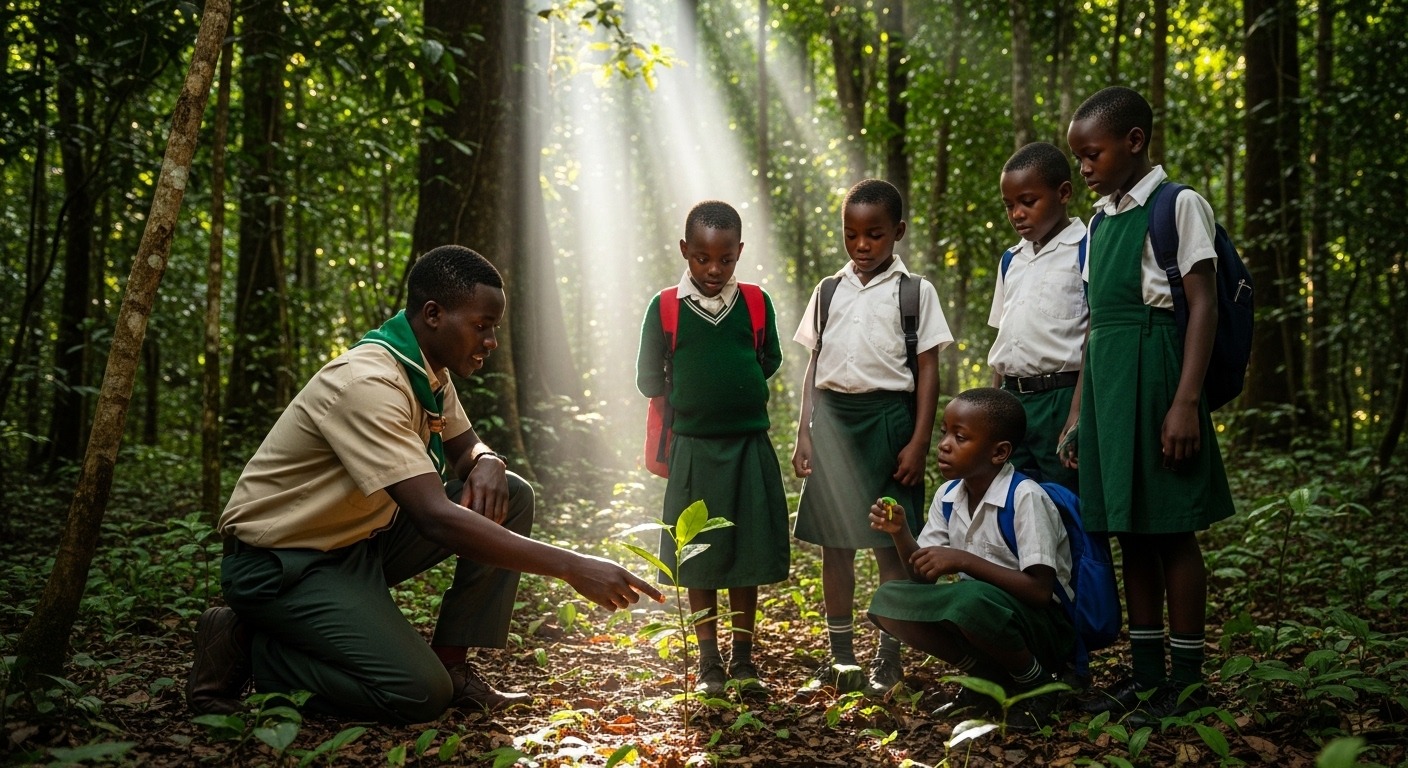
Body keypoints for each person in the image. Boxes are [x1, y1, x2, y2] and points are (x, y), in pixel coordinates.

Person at [187, 245, 663, 725]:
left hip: (355, 547)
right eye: (482, 325)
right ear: (434, 314)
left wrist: (487, 458)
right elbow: (435, 518)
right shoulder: (368, 383)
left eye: (494, 326)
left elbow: (464, 446)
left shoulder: (424, 372)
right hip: (283, 565)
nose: (492, 340)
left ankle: (453, 667)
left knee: (511, 494)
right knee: (416, 694)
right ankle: (251, 646)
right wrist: (571, 566)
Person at [1064, 86, 1236, 724]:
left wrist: (1185, 401)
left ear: (1135, 142)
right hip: (1108, 381)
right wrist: (1080, 414)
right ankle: (1144, 679)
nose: (1084, 166)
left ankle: (1186, 685)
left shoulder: (1177, 204)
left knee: (1170, 530)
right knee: (1130, 532)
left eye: (1093, 153)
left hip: (1159, 373)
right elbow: (1092, 326)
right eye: (1078, 156)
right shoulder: (1103, 220)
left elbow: (1203, 304)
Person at [791, 179, 952, 696]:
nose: (862, 246)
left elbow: (928, 369)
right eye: (852, 235)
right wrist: (804, 433)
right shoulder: (828, 290)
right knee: (834, 547)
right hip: (834, 424)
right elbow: (814, 364)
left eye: (875, 235)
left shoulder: (915, 291)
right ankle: (841, 657)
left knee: (889, 542)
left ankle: (889, 655)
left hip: (890, 421)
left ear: (898, 233)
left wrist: (920, 440)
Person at [635, 200, 790, 699]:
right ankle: (708, 660)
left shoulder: (756, 301)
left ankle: (744, 657)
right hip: (694, 449)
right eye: (702, 258)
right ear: (685, 251)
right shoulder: (664, 308)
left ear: (740, 252)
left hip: (749, 446)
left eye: (725, 259)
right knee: (697, 554)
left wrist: (733, 391)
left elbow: (768, 360)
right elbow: (646, 379)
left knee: (747, 553)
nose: (713, 269)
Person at [866, 387, 1073, 730]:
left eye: (960, 437)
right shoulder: (949, 495)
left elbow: (1039, 591)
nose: (944, 444)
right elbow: (922, 577)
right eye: (945, 432)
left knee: (969, 599)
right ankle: (988, 679)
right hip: (981, 617)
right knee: (889, 598)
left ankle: (1036, 684)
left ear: (999, 452)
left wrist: (963, 560)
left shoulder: (1025, 498)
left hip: (1042, 629)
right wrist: (900, 533)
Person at [988, 141, 1087, 491]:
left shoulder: (1086, 247)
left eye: (1028, 202)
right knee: (1017, 504)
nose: (1017, 213)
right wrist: (993, 409)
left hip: (1061, 398)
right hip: (1013, 404)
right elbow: (1004, 339)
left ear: (1063, 193)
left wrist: (1077, 413)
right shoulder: (1010, 260)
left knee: (1070, 507)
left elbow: (1094, 334)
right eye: (1009, 205)